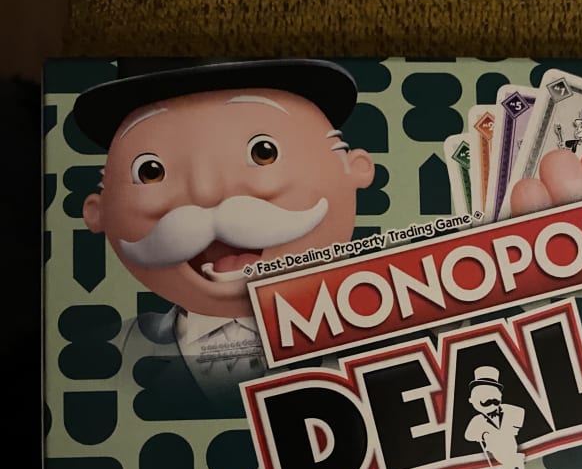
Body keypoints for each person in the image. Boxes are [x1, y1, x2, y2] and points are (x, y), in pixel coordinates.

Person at [73, 58, 374, 411]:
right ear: (97, 212)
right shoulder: (100, 358)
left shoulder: (393, 332)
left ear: (355, 168)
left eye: (264, 153)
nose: (208, 192)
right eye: (151, 172)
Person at [464, 367, 526, 469]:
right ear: (472, 400)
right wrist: (482, 435)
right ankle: (512, 464)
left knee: (508, 447)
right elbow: (468, 436)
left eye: (494, 396)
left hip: (510, 443)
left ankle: (512, 465)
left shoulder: (510, 410)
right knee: (500, 450)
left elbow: (520, 413)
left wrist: (513, 428)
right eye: (485, 397)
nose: (491, 401)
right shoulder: (477, 421)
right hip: (495, 447)